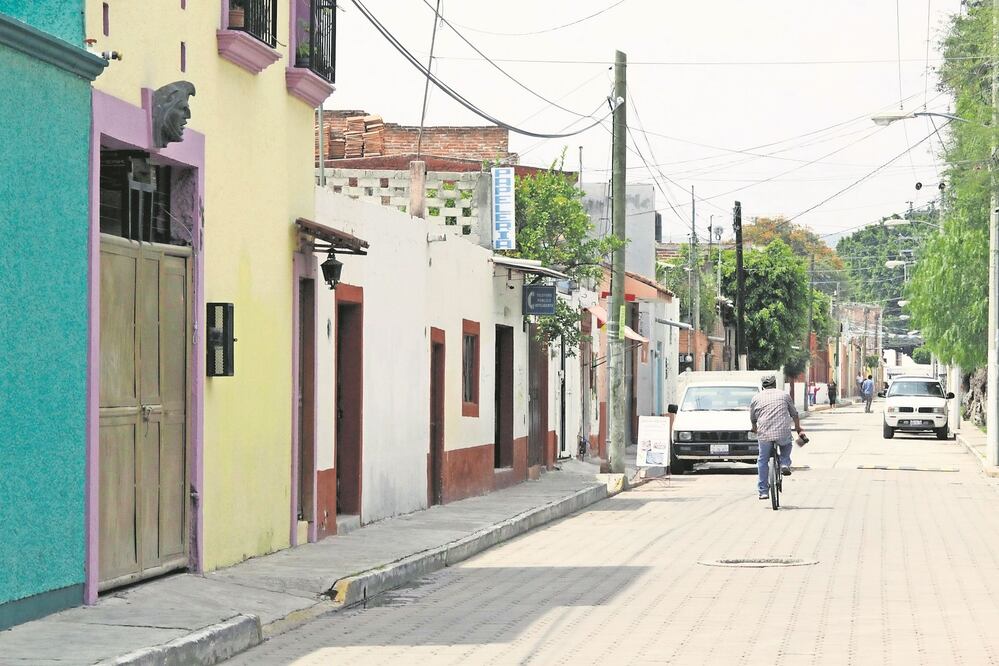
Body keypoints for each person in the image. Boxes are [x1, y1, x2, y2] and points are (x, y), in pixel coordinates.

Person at [750, 375, 805, 500]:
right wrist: (798, 428)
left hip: (764, 434)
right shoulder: (784, 395)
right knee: (786, 445)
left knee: (762, 460)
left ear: (762, 385)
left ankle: (763, 491)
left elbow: (753, 418)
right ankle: (785, 463)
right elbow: (794, 414)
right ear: (775, 384)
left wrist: (754, 428)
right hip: (782, 432)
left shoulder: (756, 398)